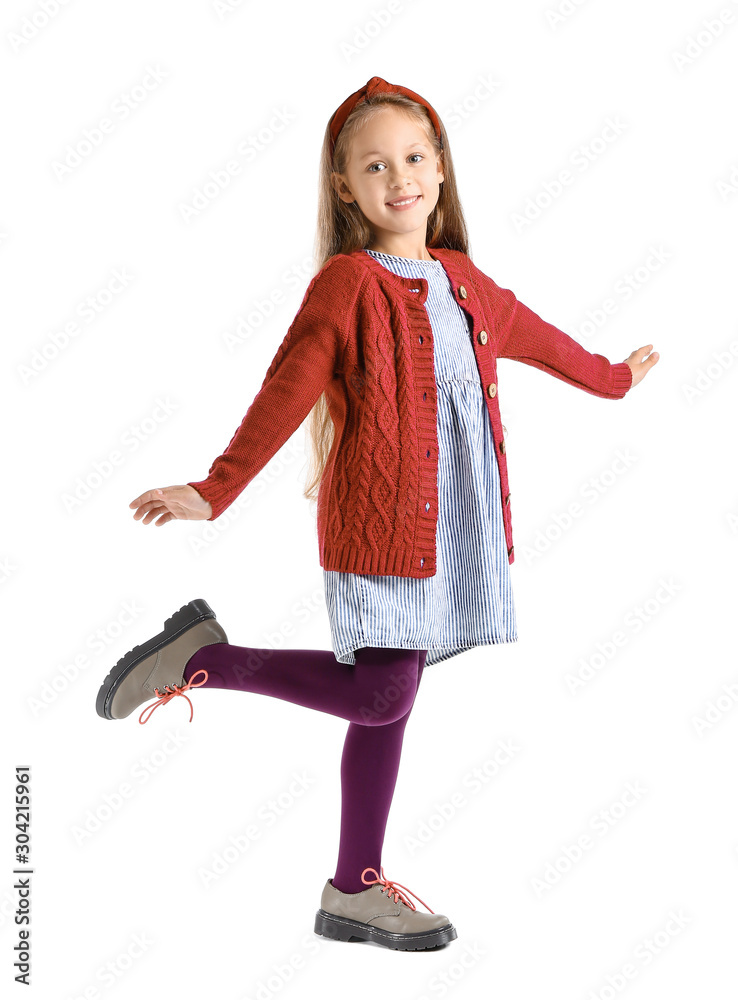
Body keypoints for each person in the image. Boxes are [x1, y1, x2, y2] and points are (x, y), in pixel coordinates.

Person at [95, 76, 659, 952]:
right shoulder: (348, 284)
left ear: (440, 168)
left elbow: (545, 341)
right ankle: (206, 659)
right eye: (374, 165)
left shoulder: (465, 281)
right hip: (383, 527)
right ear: (346, 190)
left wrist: (615, 377)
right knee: (385, 690)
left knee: (388, 708)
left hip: (454, 530)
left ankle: (354, 888)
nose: (400, 176)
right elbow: (289, 387)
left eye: (415, 156)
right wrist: (216, 488)